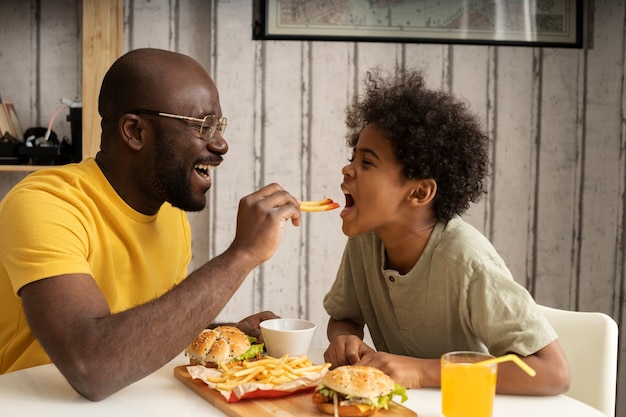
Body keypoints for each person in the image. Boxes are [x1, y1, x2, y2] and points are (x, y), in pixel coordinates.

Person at [0, 48, 302, 401]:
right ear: (135, 131)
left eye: (218, 126)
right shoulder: (46, 204)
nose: (221, 144)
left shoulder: (171, 216)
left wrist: (223, 332)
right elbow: (91, 366)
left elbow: (142, 332)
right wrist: (241, 255)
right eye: (204, 126)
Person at [322, 68, 571, 396]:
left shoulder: (467, 260)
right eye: (352, 157)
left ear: (419, 193)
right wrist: (345, 339)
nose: (347, 168)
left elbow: (552, 372)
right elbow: (345, 317)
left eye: (366, 163)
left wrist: (421, 371)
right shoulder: (364, 242)